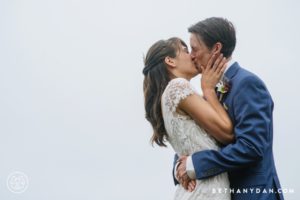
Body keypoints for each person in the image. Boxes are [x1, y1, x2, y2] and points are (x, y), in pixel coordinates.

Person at [175, 17, 284, 200]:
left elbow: (251, 147)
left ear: (216, 48)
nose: (192, 55)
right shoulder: (207, 91)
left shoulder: (247, 83)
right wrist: (179, 169)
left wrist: (195, 164)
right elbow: (191, 139)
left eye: (195, 48)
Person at [143, 37, 234, 199]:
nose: (192, 55)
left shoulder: (170, 94)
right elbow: (227, 133)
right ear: (170, 61)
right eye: (185, 51)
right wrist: (208, 90)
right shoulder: (178, 87)